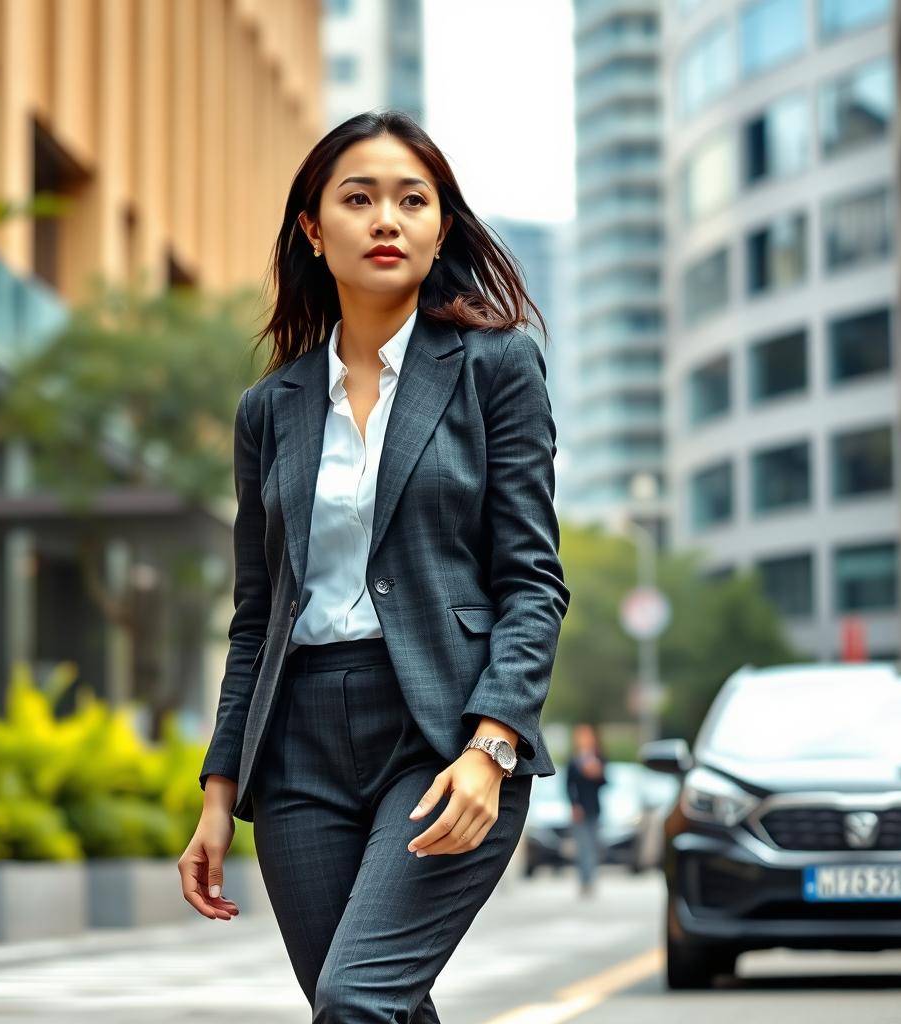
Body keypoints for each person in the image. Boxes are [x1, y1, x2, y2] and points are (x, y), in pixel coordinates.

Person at [177, 109, 570, 1023]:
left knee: (356, 1000)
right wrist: (217, 792)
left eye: (412, 200)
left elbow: (532, 582)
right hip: (297, 751)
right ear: (314, 230)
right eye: (358, 199)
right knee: (371, 1007)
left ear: (441, 227)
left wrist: (491, 747)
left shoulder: (497, 367)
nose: (386, 219)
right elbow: (255, 618)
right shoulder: (268, 409)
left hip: (439, 734)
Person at [565, 724, 607, 898]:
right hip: (579, 810)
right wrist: (574, 804)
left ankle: (591, 879)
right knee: (583, 847)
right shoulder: (574, 761)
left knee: (594, 845)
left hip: (595, 809)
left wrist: (597, 773)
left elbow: (605, 782)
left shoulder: (599, 758)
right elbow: (567, 785)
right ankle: (584, 880)